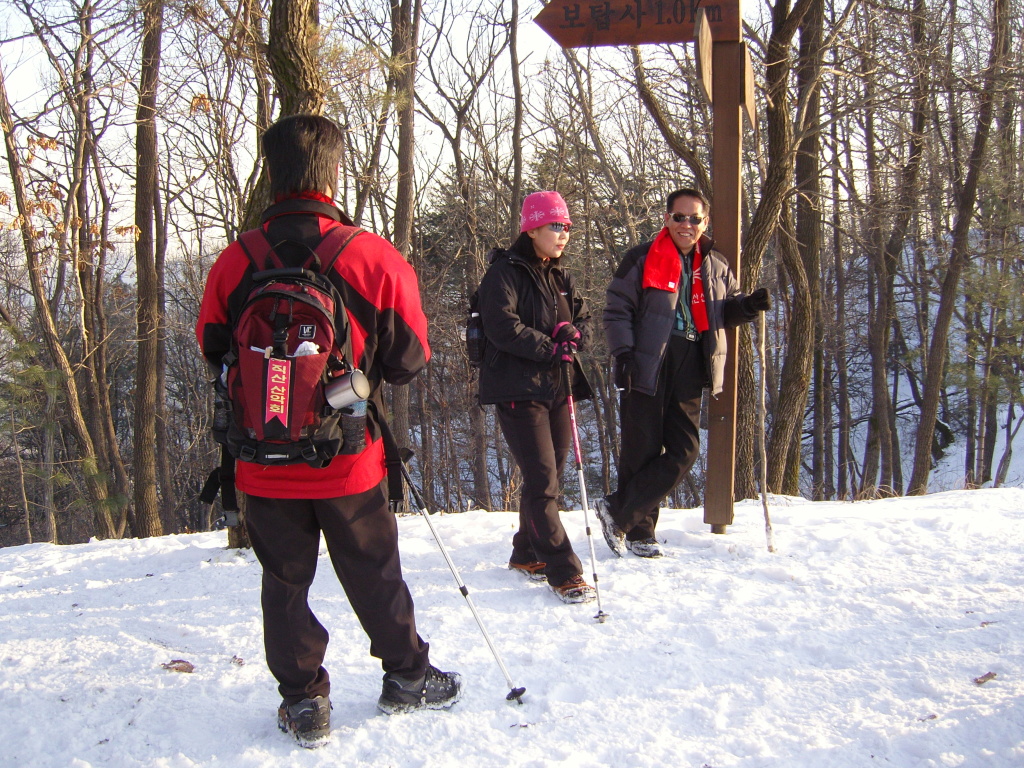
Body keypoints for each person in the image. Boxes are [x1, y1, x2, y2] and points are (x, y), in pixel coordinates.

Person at [196, 115, 460, 748]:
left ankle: (304, 701)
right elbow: (409, 360)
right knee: (373, 568)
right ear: (334, 173)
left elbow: (212, 347)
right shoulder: (371, 256)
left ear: (272, 172)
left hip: (261, 457)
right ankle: (406, 675)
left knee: (284, 580)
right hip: (347, 458)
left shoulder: (237, 261)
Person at [595, 188, 770, 558]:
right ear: (667, 219)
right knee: (641, 448)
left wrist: (749, 307)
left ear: (705, 222)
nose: (686, 225)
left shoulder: (716, 263)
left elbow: (726, 311)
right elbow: (616, 309)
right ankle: (641, 533)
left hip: (692, 359)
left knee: (685, 449)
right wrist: (624, 353)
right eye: (679, 217)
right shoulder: (641, 258)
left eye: (694, 218)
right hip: (647, 360)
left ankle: (619, 512)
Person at [476, 191, 597, 604]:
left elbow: (578, 316)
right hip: (517, 389)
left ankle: (527, 551)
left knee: (548, 476)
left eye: (566, 227)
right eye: (554, 226)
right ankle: (563, 570)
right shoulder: (503, 274)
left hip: (556, 387)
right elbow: (500, 326)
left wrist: (573, 333)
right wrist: (550, 346)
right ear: (532, 228)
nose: (563, 235)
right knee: (543, 479)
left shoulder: (558, 275)